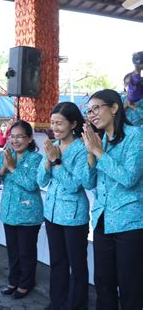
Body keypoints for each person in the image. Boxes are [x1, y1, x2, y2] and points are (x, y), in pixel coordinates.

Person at [82, 89, 143, 310]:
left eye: (96, 108)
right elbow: (89, 183)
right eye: (89, 111)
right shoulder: (100, 142)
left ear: (114, 108)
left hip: (129, 223)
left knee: (130, 286)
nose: (92, 114)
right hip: (102, 221)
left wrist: (98, 152)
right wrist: (91, 153)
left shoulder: (136, 136)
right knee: (103, 282)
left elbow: (129, 178)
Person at [37, 102, 91, 310]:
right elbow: (41, 180)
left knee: (77, 265)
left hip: (74, 216)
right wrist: (49, 161)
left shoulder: (81, 149)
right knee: (57, 262)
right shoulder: (53, 145)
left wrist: (57, 162)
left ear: (73, 123)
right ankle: (57, 302)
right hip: (52, 214)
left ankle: (77, 305)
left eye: (60, 123)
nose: (55, 127)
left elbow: (74, 185)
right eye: (52, 123)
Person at [0, 120, 43, 299]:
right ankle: (13, 280)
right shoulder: (7, 154)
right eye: (12, 136)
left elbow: (32, 185)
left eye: (20, 136)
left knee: (26, 252)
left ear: (29, 139)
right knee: (13, 250)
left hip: (28, 214)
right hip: (9, 212)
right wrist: (4, 167)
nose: (15, 140)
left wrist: (12, 167)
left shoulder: (36, 159)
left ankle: (26, 283)